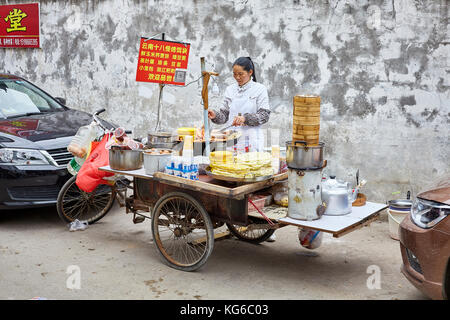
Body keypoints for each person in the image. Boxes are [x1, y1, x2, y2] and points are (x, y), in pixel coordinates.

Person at [208, 56, 276, 242]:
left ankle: (263, 224)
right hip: (232, 141)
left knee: (252, 181)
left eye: (241, 74)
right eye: (235, 74)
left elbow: (264, 115)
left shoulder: (259, 89)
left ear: (250, 73)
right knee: (232, 179)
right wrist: (215, 116)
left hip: (251, 140)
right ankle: (235, 219)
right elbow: (224, 115)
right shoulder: (230, 89)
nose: (237, 77)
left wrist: (246, 119)